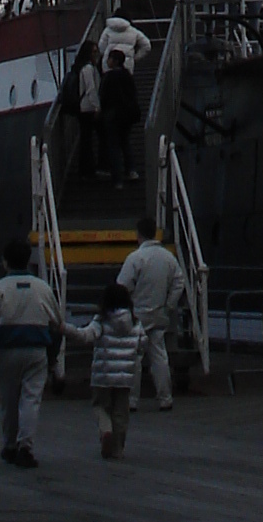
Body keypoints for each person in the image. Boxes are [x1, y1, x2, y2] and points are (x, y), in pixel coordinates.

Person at [0, 237, 61, 469]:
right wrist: (52, 357)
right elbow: (57, 327)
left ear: (5, 262)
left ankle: (9, 445)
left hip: (7, 351)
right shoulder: (43, 288)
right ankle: (26, 447)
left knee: (9, 401)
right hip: (37, 350)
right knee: (32, 399)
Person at [115, 219, 187, 412]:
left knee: (135, 358)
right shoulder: (168, 257)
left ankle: (132, 400)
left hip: (137, 314)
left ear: (138, 234)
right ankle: (165, 398)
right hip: (159, 313)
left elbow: (122, 287)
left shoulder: (135, 258)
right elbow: (179, 282)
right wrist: (169, 305)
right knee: (159, 356)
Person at [64, 280, 143, 459]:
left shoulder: (101, 320)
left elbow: (85, 336)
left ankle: (106, 431)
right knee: (121, 412)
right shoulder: (135, 322)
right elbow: (142, 344)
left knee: (100, 406)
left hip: (103, 374)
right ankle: (118, 449)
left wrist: (65, 329)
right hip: (126, 377)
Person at [98, 41, 147, 194]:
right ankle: (132, 170)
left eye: (110, 59)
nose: (107, 61)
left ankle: (117, 179)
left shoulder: (108, 77)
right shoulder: (127, 76)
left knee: (113, 146)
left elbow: (103, 97)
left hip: (112, 115)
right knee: (125, 142)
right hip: (127, 115)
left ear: (114, 61)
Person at [74, 42, 102, 180]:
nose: (95, 55)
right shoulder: (88, 69)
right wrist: (97, 107)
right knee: (88, 139)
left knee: (86, 139)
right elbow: (91, 89)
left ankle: (85, 170)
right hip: (88, 108)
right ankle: (88, 170)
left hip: (84, 107)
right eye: (93, 52)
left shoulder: (85, 68)